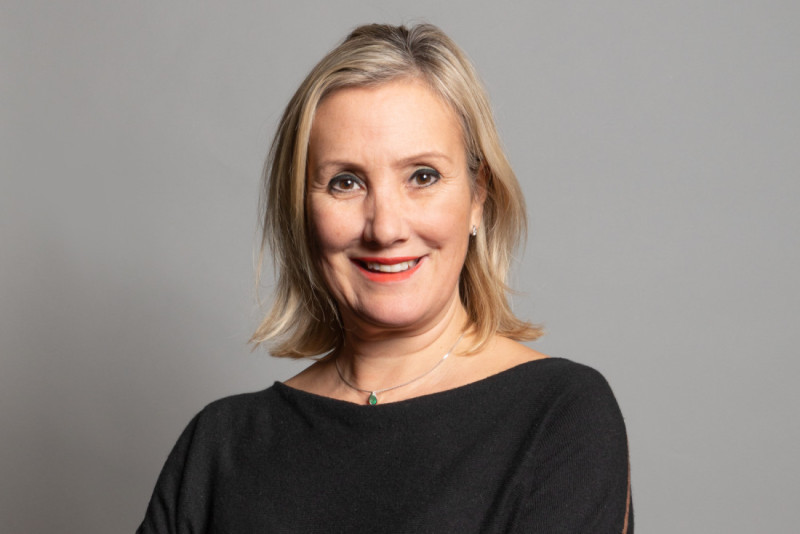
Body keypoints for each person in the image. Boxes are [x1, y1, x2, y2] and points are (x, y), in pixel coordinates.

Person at [137, 23, 632, 533]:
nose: (386, 227)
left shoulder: (560, 414)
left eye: (423, 176)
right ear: (302, 213)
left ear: (478, 198)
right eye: (345, 182)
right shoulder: (220, 445)